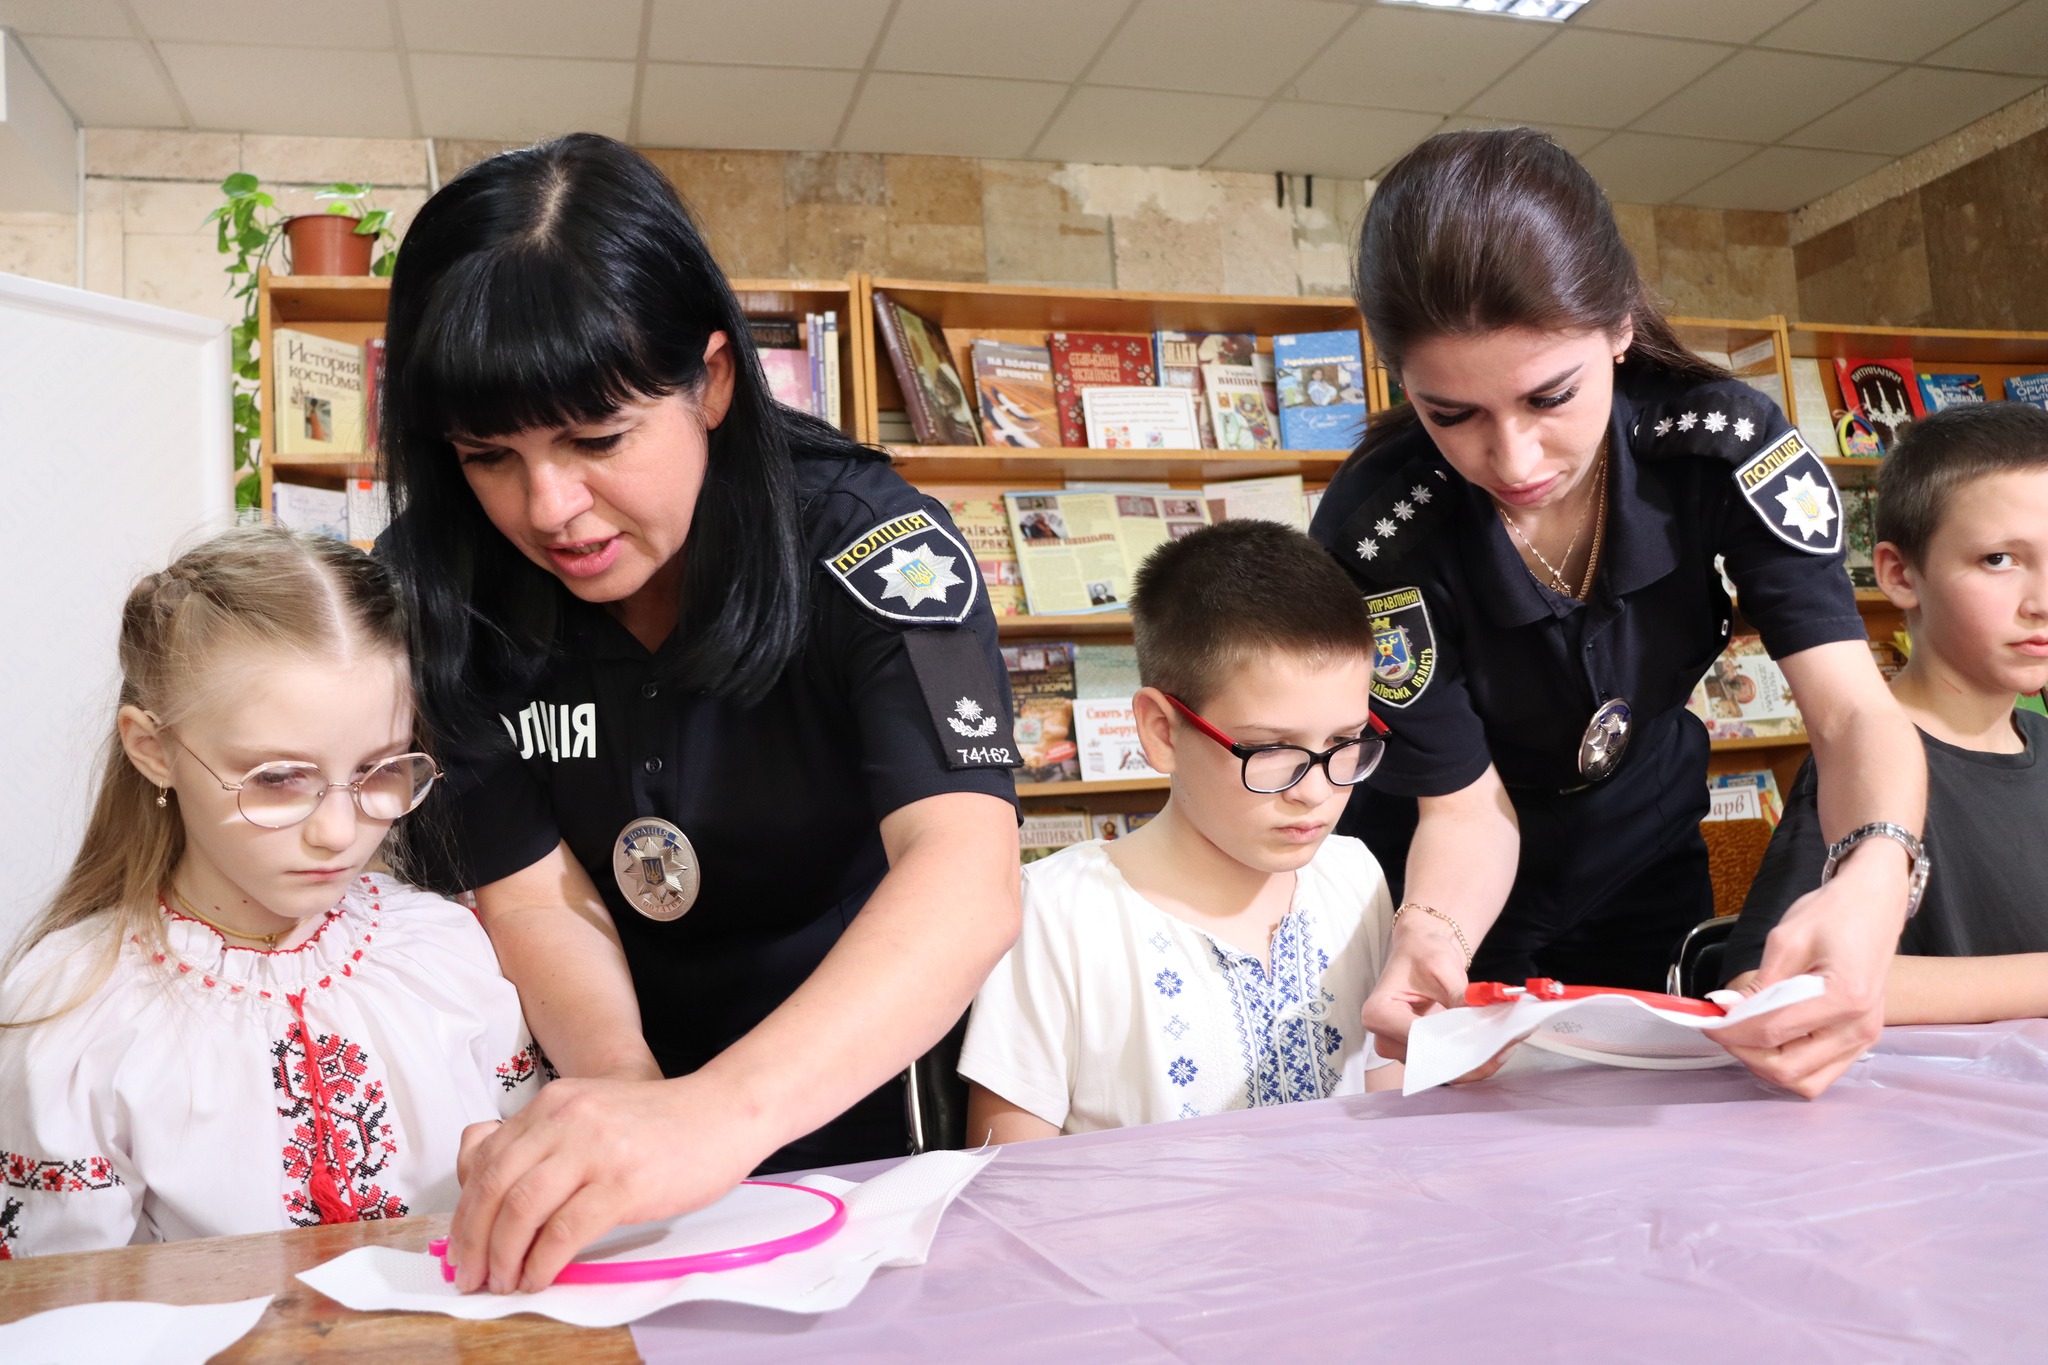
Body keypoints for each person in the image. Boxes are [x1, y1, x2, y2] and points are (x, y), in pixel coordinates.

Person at [376, 134, 1021, 1294]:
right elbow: (530, 891)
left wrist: (715, 1116)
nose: (550, 507)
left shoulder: (872, 546)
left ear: (712, 381)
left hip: (843, 1065)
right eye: (488, 456)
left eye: (597, 437)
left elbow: (965, 871)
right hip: (584, 1077)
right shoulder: (445, 587)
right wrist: (626, 1091)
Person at [1307, 128, 1926, 1098]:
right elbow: (1463, 808)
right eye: (1450, 415)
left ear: (1618, 330)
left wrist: (1872, 877)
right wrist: (1428, 938)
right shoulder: (1377, 532)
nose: (1512, 461)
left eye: (1549, 396)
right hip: (1443, 884)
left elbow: (1851, 714)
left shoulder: (1721, 444)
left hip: (1640, 857)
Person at [0, 528, 541, 1258]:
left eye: (381, 769)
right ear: (152, 749)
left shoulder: (448, 952)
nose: (340, 831)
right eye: (279, 778)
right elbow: (69, 1314)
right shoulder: (74, 1010)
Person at [961, 522, 1400, 1143]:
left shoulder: (1353, 877)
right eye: (1271, 748)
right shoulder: (1057, 912)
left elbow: (1388, 1127)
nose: (1316, 790)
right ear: (1162, 731)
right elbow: (1010, 1179)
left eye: (1344, 743)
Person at [1725, 403, 2048, 1020]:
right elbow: (1768, 986)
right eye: (1999, 560)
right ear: (1900, 575)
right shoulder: (1861, 768)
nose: (2042, 601)